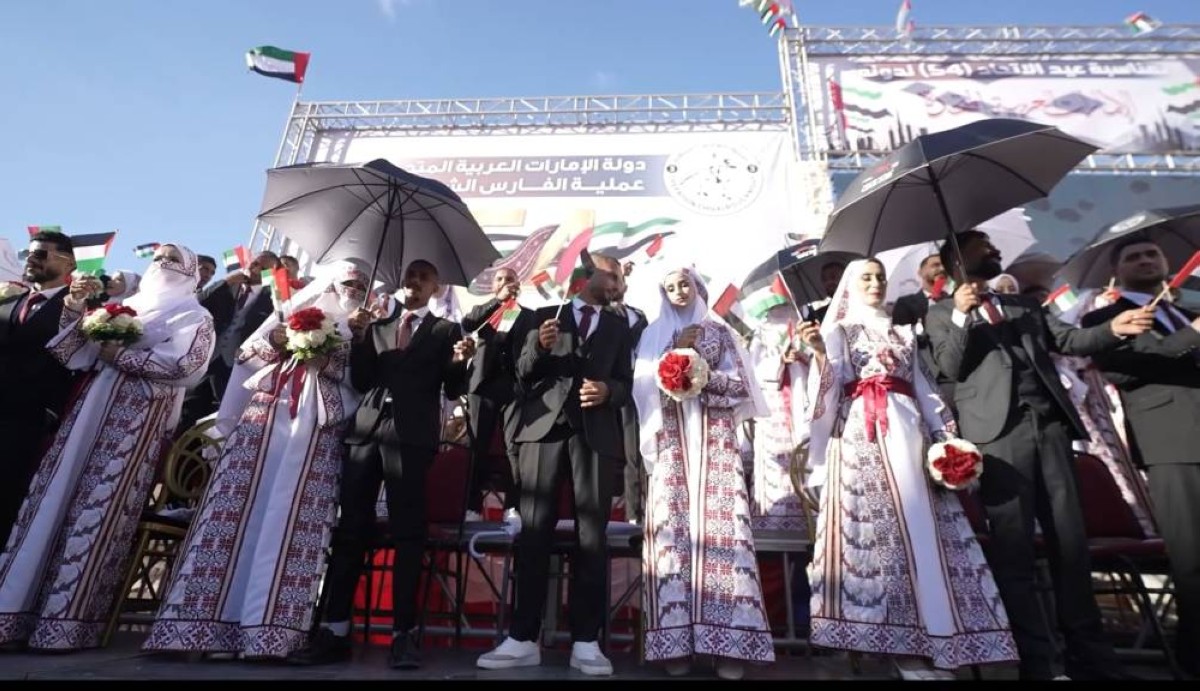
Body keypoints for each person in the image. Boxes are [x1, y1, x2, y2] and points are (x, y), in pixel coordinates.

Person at [923, 229, 1153, 680]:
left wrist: (1112, 329)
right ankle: (1037, 661)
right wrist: (963, 315)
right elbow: (948, 367)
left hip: (1049, 428)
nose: (994, 251)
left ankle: (1092, 658)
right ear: (957, 261)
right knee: (1015, 551)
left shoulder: (1024, 305)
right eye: (983, 247)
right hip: (998, 440)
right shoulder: (940, 314)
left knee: (1071, 545)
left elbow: (1067, 340)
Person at [798, 258, 1018, 679]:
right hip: (862, 435)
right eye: (866, 277)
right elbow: (827, 391)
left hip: (910, 434)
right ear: (851, 285)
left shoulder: (903, 331)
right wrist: (820, 354)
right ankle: (902, 647)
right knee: (883, 537)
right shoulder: (840, 330)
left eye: (880, 277)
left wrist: (946, 440)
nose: (875, 283)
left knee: (924, 534)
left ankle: (940, 637)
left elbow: (924, 388)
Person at [143, 264, 368, 660]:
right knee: (235, 514)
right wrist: (277, 340)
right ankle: (199, 629)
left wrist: (334, 355)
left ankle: (269, 633)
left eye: (362, 284)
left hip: (317, 430)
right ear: (331, 282)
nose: (355, 288)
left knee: (289, 520)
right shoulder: (295, 308)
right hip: (263, 421)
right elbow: (247, 353)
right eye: (349, 281)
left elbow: (364, 380)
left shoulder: (365, 323)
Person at [0, 244, 214, 651]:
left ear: (189, 271)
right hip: (88, 409)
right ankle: (14, 613)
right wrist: (76, 309)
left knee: (98, 507)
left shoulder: (194, 315)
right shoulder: (127, 306)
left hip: (136, 420)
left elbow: (188, 366)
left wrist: (123, 356)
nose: (163, 265)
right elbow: (68, 351)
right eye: (158, 258)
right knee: (54, 499)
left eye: (172, 259)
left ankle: (66, 623)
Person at [288, 259, 475, 670]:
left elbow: (453, 388)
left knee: (408, 532)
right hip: (367, 431)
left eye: (424, 276)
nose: (415, 282)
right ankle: (335, 630)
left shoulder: (446, 331)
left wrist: (461, 361)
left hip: (411, 437)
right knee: (351, 529)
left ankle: (403, 634)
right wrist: (358, 339)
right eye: (410, 275)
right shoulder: (376, 326)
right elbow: (361, 380)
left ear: (436, 287)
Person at [476, 254, 632, 677]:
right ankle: (523, 638)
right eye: (612, 274)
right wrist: (540, 347)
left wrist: (609, 392)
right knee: (534, 533)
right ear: (587, 275)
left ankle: (585, 641)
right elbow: (521, 374)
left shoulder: (620, 326)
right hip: (542, 431)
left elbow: (625, 383)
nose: (617, 282)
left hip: (594, 437)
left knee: (591, 538)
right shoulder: (542, 315)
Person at [631, 265, 774, 680]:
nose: (679, 291)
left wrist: (700, 373)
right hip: (672, 446)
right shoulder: (652, 334)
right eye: (671, 287)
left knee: (724, 532)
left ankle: (730, 644)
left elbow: (742, 385)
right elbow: (642, 389)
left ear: (698, 287)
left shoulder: (720, 331)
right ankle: (674, 642)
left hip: (715, 443)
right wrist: (672, 356)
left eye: (685, 284)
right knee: (673, 534)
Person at [1080, 236, 1200, 677]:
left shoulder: (1183, 312)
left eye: (1152, 254)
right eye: (1134, 257)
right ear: (1116, 272)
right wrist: (1194, 333)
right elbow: (1132, 367)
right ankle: (1192, 657)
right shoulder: (1104, 320)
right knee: (1192, 557)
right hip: (1172, 443)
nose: (1146, 260)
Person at [0, 231, 78, 548]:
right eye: (28, 253)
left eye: (42, 254)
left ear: (68, 262)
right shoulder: (9, 299)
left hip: (26, 420)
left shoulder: (79, 308)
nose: (32, 259)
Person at [177, 251, 280, 436]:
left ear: (271, 274)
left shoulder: (271, 300)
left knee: (218, 418)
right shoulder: (227, 286)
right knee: (189, 408)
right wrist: (225, 282)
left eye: (263, 268)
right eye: (255, 263)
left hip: (235, 366)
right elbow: (197, 304)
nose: (256, 270)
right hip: (207, 358)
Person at [460, 267, 532, 524]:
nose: (504, 283)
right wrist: (497, 302)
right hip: (482, 386)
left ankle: (513, 506)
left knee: (514, 448)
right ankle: (472, 506)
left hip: (512, 388)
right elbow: (467, 324)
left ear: (518, 284)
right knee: (477, 446)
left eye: (510, 279)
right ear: (493, 286)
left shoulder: (527, 315)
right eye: (499, 279)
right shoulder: (485, 311)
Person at [608, 264, 648, 525]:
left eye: (618, 281)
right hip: (605, 390)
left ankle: (636, 512)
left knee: (635, 453)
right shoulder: (597, 315)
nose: (614, 287)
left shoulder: (638, 315)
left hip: (633, 389)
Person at [891, 253, 948, 327]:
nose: (942, 269)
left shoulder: (955, 299)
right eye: (935, 265)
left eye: (945, 265)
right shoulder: (905, 304)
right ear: (920, 272)